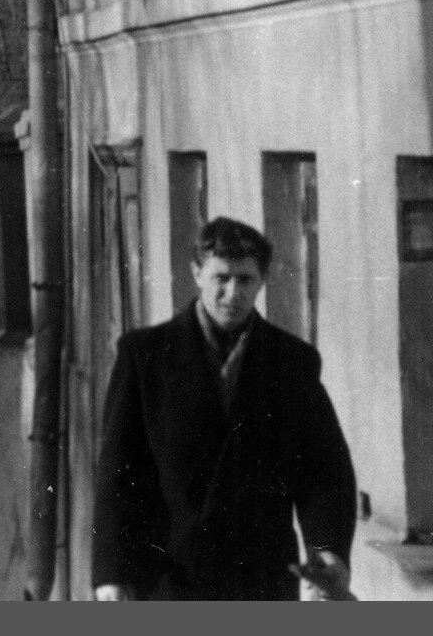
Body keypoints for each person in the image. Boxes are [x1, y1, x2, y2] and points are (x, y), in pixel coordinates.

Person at [93, 217, 357, 601]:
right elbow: (117, 475)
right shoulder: (145, 357)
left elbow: (323, 471)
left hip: (260, 580)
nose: (232, 293)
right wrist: (111, 575)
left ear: (262, 281)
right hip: (170, 579)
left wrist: (328, 551)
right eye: (221, 278)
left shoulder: (292, 363)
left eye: (246, 280)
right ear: (197, 273)